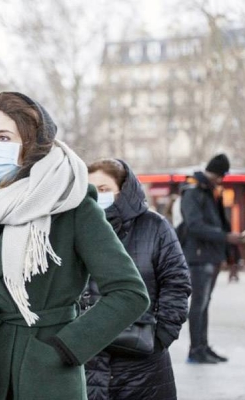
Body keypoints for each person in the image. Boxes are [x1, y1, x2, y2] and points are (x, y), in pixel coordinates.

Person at [0, 92, 150, 400]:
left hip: (42, 376)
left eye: (3, 137)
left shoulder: (70, 205)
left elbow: (129, 293)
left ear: (33, 145)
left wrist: (63, 348)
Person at [84, 159, 191, 400]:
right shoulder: (76, 226)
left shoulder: (155, 226)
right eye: (90, 190)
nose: (96, 196)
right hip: (88, 358)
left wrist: (161, 336)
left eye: (103, 189)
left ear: (124, 190)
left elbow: (176, 282)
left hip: (143, 361)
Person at [180, 153, 245, 364]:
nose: (222, 180)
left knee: (205, 303)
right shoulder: (193, 192)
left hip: (212, 255)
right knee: (198, 304)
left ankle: (203, 347)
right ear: (215, 173)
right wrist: (226, 237)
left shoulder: (210, 192)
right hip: (199, 256)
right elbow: (195, 225)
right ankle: (195, 350)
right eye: (221, 176)